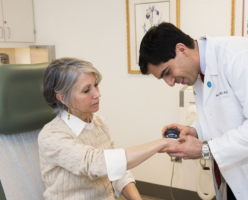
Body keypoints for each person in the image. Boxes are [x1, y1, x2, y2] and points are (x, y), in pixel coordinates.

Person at [138, 22, 248, 200]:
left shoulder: (240, 56)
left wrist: (205, 150)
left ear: (181, 49)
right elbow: (224, 117)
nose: (170, 83)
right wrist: (194, 131)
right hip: (234, 177)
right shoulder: (199, 73)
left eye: (167, 72)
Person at [39, 57, 178, 200]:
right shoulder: (51, 135)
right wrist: (162, 143)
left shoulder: (98, 123)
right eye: (86, 90)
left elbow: (118, 172)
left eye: (96, 85)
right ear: (62, 98)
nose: (97, 94)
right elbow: (98, 163)